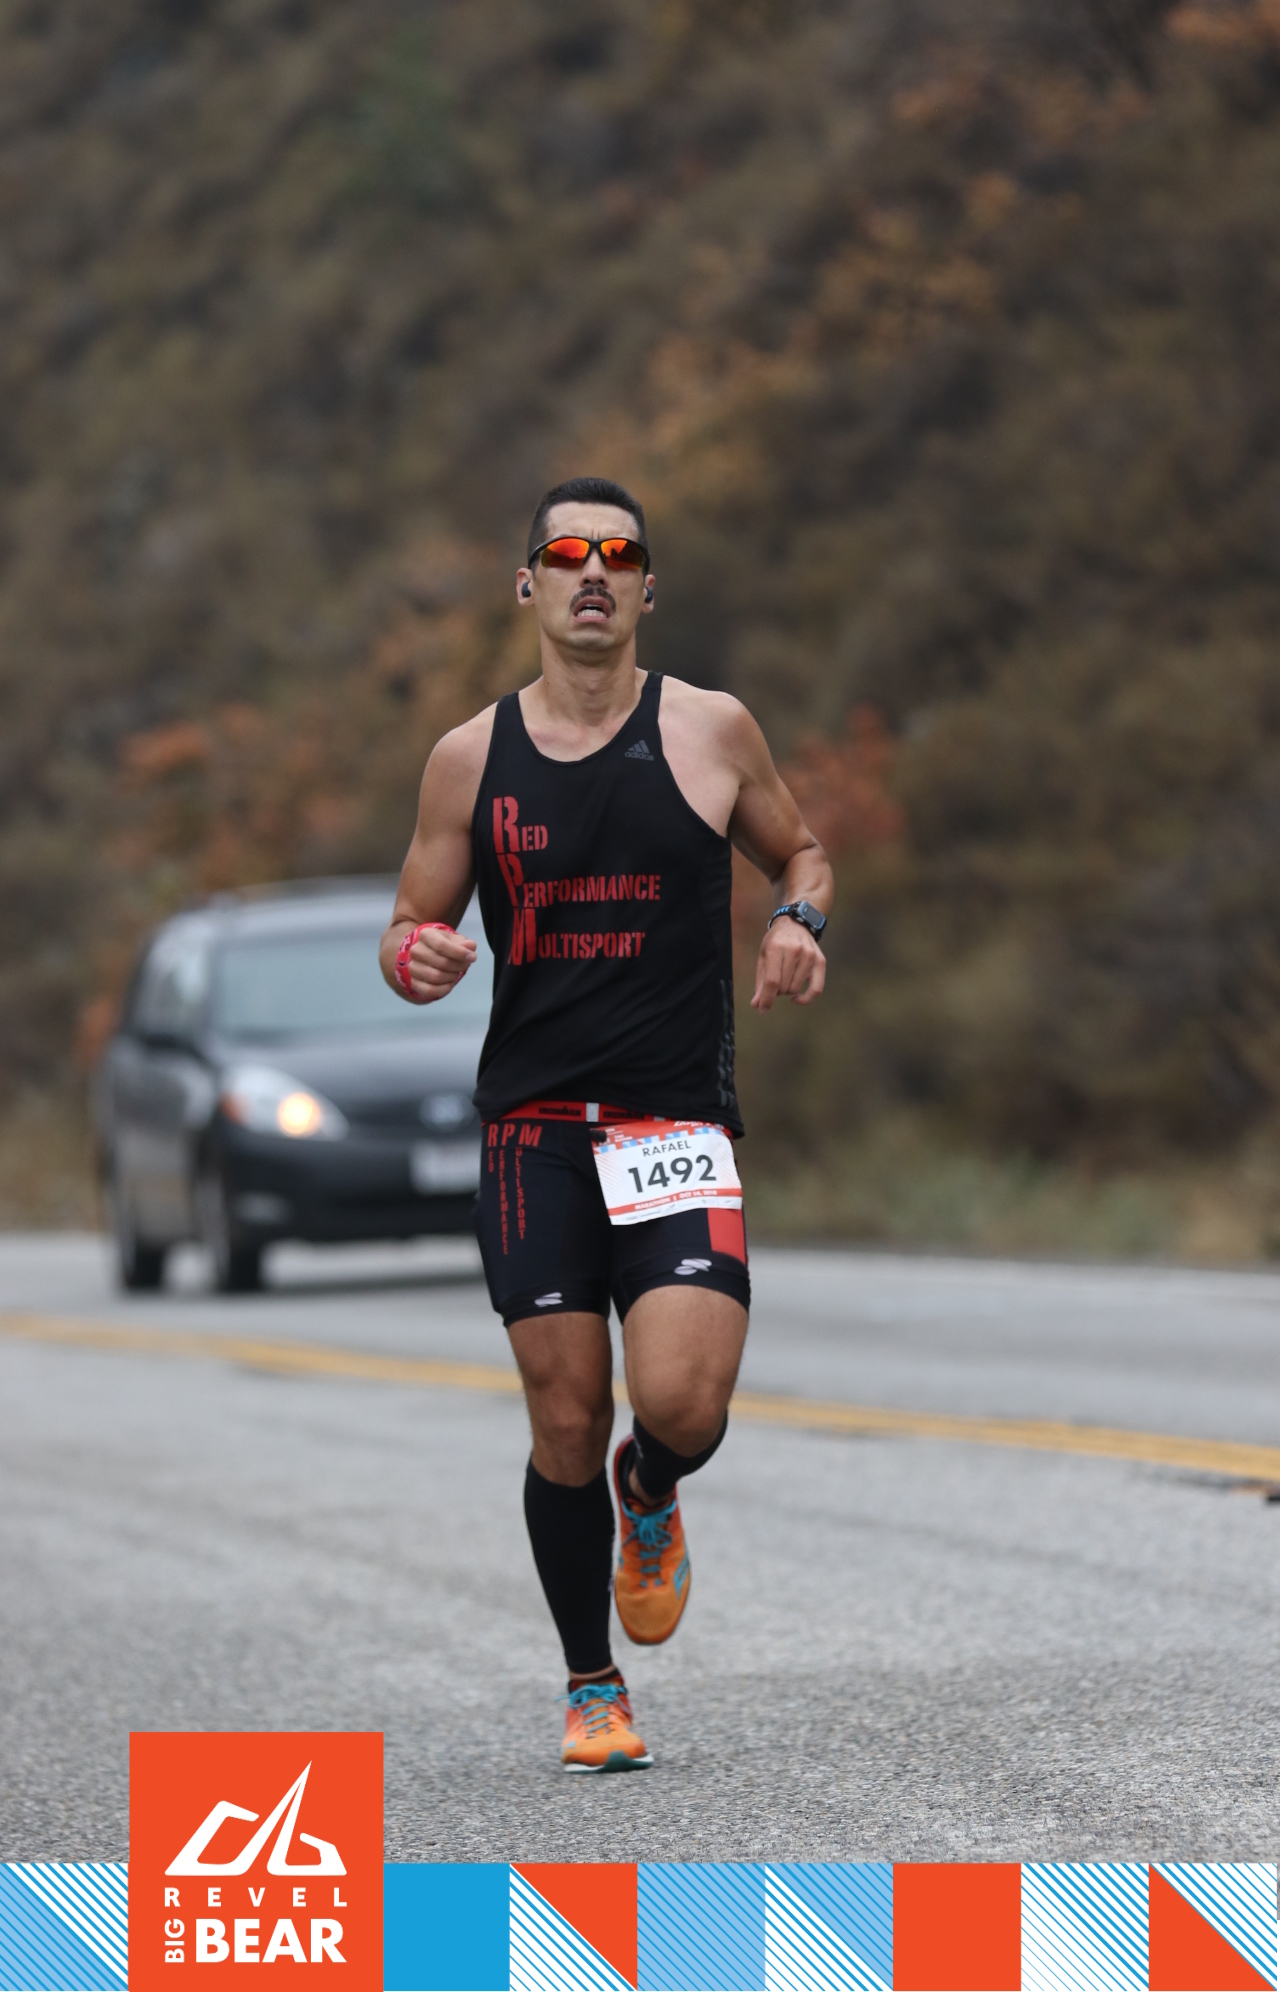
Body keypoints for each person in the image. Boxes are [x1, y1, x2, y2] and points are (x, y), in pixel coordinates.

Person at [381, 476, 833, 1771]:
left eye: (618, 556)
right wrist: (414, 956)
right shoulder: (469, 759)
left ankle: (653, 1488)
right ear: (527, 583)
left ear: (646, 587)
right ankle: (593, 1684)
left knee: (682, 1401)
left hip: (670, 1119)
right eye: (569, 552)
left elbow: (802, 853)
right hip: (533, 1132)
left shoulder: (710, 731)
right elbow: (409, 923)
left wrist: (799, 919)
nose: (594, 572)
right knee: (565, 1418)